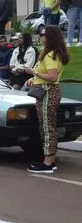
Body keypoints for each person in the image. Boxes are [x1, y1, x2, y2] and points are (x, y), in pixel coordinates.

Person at [24, 26, 69, 174]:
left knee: (47, 127)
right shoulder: (54, 54)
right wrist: (34, 78)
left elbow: (52, 77)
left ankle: (48, 163)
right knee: (46, 126)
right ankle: (49, 159)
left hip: (48, 92)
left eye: (42, 34)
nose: (40, 36)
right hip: (48, 91)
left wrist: (33, 72)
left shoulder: (50, 55)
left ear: (49, 37)